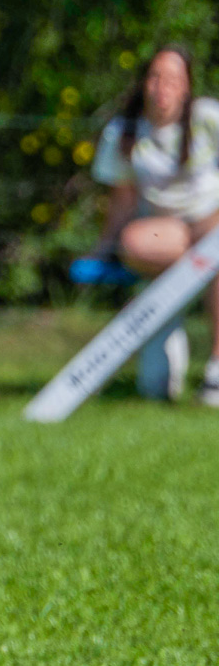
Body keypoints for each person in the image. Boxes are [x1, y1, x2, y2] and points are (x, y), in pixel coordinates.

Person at [90, 46, 219, 404]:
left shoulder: (208, 117)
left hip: (211, 221)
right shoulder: (124, 132)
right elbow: (122, 202)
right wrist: (102, 249)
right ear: (144, 82)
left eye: (174, 79)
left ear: (188, 86)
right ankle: (178, 307)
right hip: (167, 234)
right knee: (134, 242)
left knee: (215, 246)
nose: (163, 88)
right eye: (156, 77)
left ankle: (216, 368)